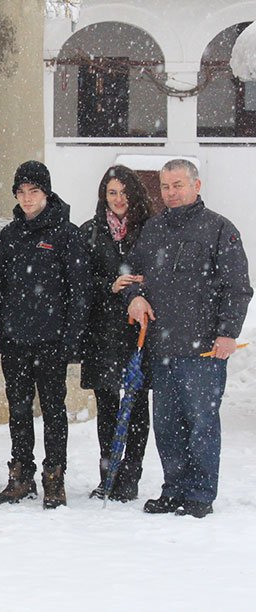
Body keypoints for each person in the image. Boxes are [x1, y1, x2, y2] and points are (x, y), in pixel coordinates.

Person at [126, 159, 252, 518]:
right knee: (166, 426)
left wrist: (228, 333)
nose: (171, 193)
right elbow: (129, 274)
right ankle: (173, 488)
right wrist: (132, 297)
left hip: (205, 352)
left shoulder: (219, 229)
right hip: (163, 349)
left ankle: (199, 494)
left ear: (197, 186)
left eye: (178, 185)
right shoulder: (153, 230)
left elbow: (238, 289)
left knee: (201, 424)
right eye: (166, 186)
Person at [0, 160, 91, 509]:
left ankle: (54, 476)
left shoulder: (67, 233)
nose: (27, 198)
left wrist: (71, 339)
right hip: (17, 340)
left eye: (34, 191)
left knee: (53, 410)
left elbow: (80, 291)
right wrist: (1, 331)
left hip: (52, 341)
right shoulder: (10, 234)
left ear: (46, 193)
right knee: (18, 410)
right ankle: (21, 474)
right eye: (21, 192)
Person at [80, 165, 153, 502]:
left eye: (124, 192)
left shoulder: (151, 231)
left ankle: (131, 477)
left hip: (139, 331)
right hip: (102, 333)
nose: (119, 199)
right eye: (112, 192)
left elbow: (163, 276)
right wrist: (108, 285)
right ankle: (107, 475)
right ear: (103, 196)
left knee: (137, 407)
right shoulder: (90, 232)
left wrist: (141, 287)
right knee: (108, 407)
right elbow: (78, 283)